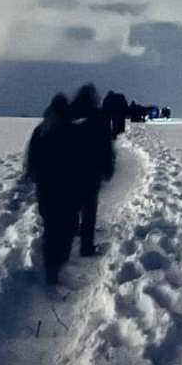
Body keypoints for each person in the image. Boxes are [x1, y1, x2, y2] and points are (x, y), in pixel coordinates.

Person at [24, 93, 75, 286]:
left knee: (51, 227)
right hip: (66, 188)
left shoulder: (41, 130)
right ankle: (59, 262)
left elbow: (31, 160)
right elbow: (79, 162)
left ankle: (50, 269)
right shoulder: (70, 130)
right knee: (66, 227)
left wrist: (34, 176)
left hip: (45, 187)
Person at [69, 83, 115, 256]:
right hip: (91, 170)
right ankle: (86, 246)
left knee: (73, 203)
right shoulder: (99, 118)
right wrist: (108, 168)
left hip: (70, 169)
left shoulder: (69, 115)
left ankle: (73, 229)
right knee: (89, 207)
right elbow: (106, 147)